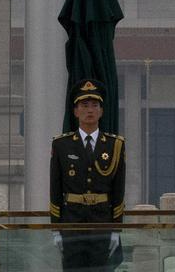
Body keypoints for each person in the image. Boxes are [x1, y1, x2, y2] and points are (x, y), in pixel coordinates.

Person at [50, 79, 126, 271]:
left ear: (101, 111)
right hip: (72, 222)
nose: (89, 110)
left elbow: (118, 190)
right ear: (76, 111)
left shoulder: (114, 145)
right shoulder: (62, 145)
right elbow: (55, 188)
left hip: (101, 222)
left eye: (94, 105)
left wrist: (116, 229)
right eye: (84, 105)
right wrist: (56, 229)